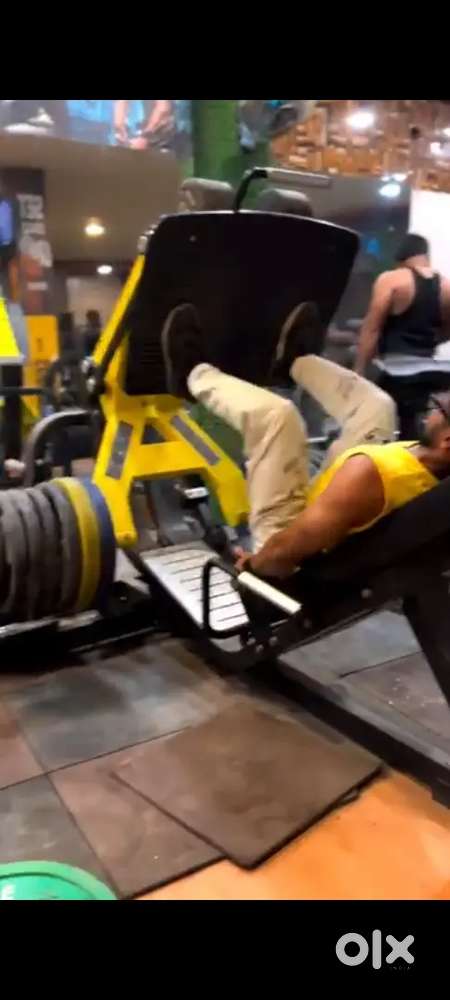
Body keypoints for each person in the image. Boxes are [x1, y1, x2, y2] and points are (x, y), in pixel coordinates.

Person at [160, 303, 450, 579]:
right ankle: (295, 363)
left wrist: (253, 567)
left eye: (439, 409)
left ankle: (192, 376)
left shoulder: (370, 475)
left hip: (285, 544)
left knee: (278, 418)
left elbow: (283, 552)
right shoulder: (427, 468)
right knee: (377, 407)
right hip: (339, 502)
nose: (431, 406)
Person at [355, 233, 450, 376]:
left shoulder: (391, 280)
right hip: (429, 369)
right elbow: (447, 332)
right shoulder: (447, 287)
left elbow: (372, 330)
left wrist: (358, 370)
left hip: (392, 370)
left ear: (400, 257)